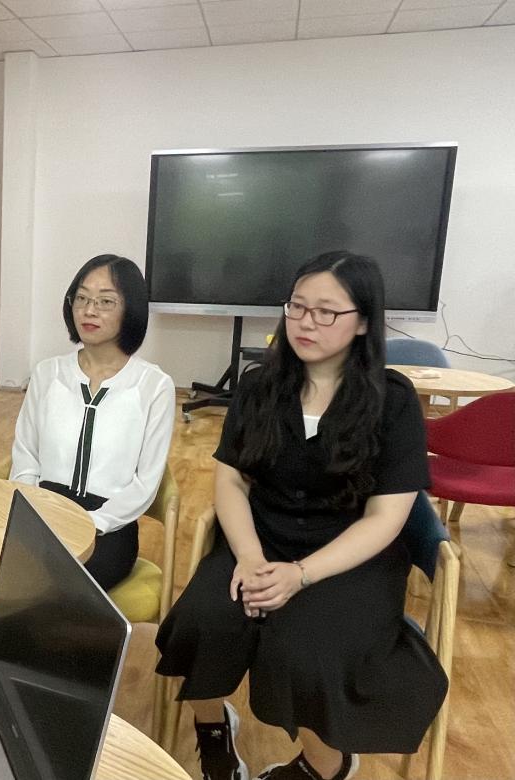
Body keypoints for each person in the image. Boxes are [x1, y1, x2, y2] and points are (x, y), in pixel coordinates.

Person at [155, 251, 447, 780]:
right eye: (297, 306)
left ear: (363, 321)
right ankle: (213, 730)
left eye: (326, 311)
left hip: (351, 558)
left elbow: (385, 519)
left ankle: (324, 766)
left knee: (303, 653)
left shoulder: (393, 401)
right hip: (262, 540)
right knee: (201, 624)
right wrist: (248, 557)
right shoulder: (259, 386)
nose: (307, 322)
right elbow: (231, 479)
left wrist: (302, 574)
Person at [10, 254, 176, 589]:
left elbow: (146, 483)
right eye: (82, 298)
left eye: (105, 302)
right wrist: (35, 512)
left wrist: (92, 522)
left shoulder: (154, 386)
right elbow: (25, 455)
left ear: (131, 309)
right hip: (42, 512)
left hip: (109, 527)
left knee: (50, 586)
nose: (89, 310)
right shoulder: (47, 374)